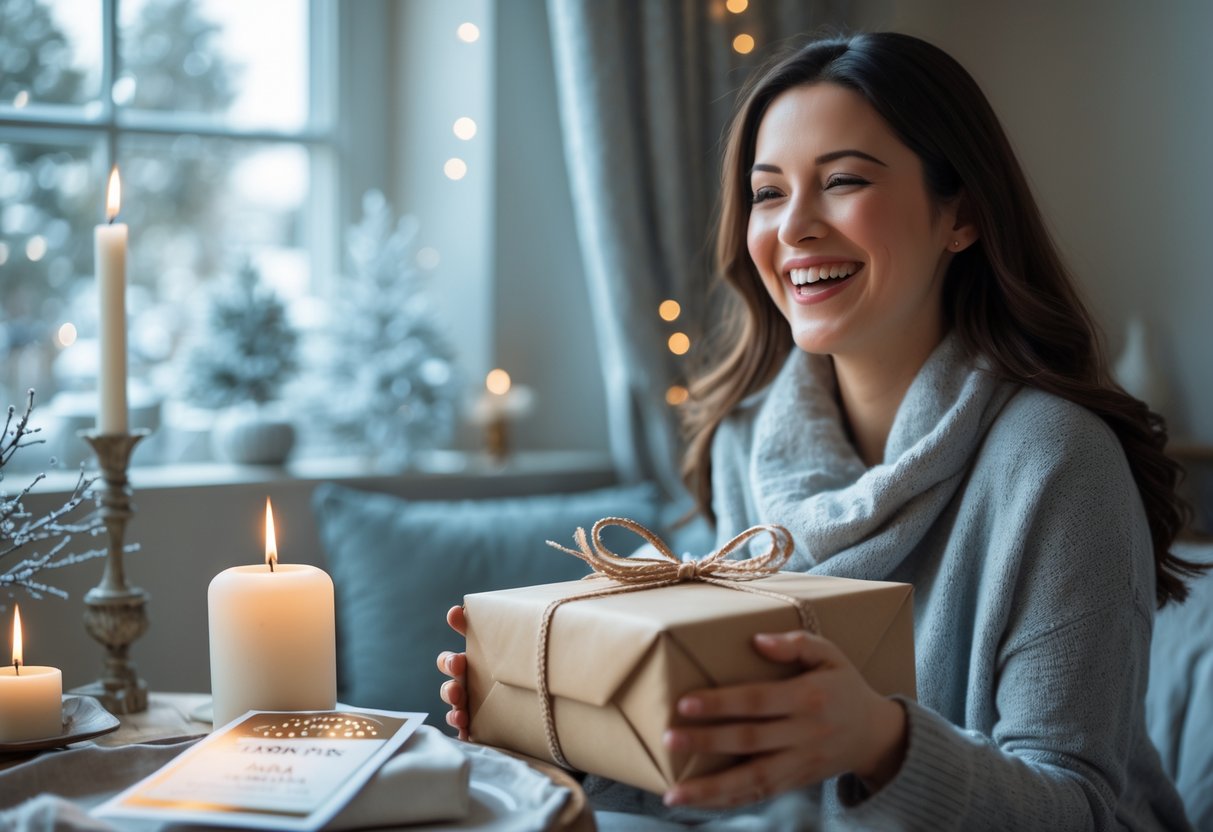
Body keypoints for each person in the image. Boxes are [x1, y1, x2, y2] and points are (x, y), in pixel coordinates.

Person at [438, 31, 1206, 829]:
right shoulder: (746, 444)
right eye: (768, 193)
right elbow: (724, 767)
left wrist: (880, 742)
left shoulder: (1055, 458)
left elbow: (1080, 808)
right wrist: (557, 720)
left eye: (841, 181)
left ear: (962, 215)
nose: (793, 227)